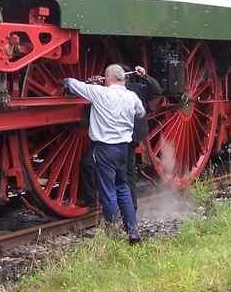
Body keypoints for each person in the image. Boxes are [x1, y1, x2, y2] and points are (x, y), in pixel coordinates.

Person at [63, 64, 145, 244]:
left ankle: (113, 232)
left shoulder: (100, 93)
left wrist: (67, 81)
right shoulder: (132, 96)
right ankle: (132, 231)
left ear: (107, 78)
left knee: (108, 191)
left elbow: (73, 84)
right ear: (123, 78)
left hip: (104, 149)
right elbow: (141, 113)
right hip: (123, 149)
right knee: (122, 187)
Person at [79, 65, 162, 210]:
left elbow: (157, 92)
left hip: (128, 140)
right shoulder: (106, 92)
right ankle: (92, 200)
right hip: (110, 140)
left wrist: (145, 76)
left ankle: (131, 208)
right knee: (89, 164)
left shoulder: (136, 89)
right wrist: (92, 83)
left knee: (127, 175)